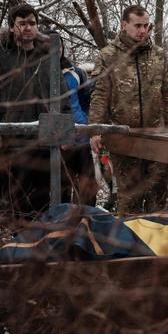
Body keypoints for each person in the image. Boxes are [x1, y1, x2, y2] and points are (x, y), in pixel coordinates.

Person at [0, 3, 70, 218]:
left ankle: (47, 245)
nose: (28, 28)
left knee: (48, 202)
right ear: (12, 27)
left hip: (46, 139)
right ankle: (17, 245)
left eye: (32, 23)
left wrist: (65, 131)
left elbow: (62, 96)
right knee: (15, 203)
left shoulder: (47, 57)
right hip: (12, 140)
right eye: (22, 23)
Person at [88, 4, 168, 215]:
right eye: (137, 25)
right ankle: (129, 244)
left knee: (158, 197)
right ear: (124, 25)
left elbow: (167, 94)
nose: (143, 31)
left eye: (146, 26)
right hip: (124, 138)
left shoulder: (158, 55)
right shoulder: (108, 55)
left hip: (157, 137)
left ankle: (157, 243)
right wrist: (94, 130)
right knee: (129, 198)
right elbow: (100, 95)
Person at [47, 30, 98, 207]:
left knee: (88, 185)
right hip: (56, 139)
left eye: (59, 45)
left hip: (81, 136)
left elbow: (86, 100)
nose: (57, 49)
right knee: (62, 187)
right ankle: (63, 226)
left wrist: (85, 122)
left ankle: (88, 223)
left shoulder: (76, 72)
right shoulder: (39, 74)